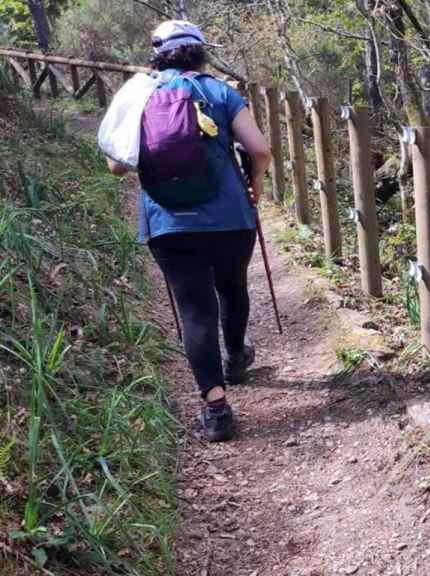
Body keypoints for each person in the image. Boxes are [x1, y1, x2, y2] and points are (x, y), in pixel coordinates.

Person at [105, 20, 271, 442]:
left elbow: (115, 164)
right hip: (230, 218)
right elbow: (260, 149)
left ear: (157, 53)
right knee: (232, 285)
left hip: (168, 222)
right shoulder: (219, 92)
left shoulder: (140, 96)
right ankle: (236, 358)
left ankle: (216, 411)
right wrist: (257, 184)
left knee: (196, 310)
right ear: (200, 52)